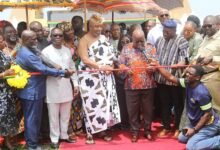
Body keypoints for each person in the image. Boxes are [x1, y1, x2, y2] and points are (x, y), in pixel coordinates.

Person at [16, 30, 74, 150]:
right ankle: (32, 145)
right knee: (32, 119)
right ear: (26, 40)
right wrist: (62, 72)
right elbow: (43, 69)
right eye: (33, 39)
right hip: (32, 91)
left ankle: (33, 142)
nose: (36, 41)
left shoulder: (30, 49)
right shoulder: (28, 55)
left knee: (34, 118)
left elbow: (41, 56)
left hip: (35, 91)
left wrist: (54, 64)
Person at [154, 62, 220, 150]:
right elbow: (170, 77)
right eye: (187, 72)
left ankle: (217, 140)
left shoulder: (202, 93)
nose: (187, 74)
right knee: (182, 138)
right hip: (197, 123)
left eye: (190, 74)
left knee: (191, 147)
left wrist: (195, 130)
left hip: (209, 124)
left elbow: (207, 114)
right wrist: (158, 67)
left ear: (197, 77)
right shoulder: (188, 82)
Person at [77, 14, 121, 144]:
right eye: (95, 26)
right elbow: (85, 59)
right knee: (91, 104)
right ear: (89, 27)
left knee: (105, 103)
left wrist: (111, 66)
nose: (98, 29)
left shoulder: (104, 38)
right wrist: (101, 66)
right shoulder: (83, 40)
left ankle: (103, 130)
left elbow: (111, 56)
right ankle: (90, 131)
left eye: (100, 26)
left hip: (106, 76)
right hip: (90, 78)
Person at [118, 29, 156, 142]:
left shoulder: (150, 47)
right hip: (131, 86)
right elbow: (120, 64)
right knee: (132, 111)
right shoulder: (126, 48)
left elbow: (156, 63)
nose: (140, 43)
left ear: (144, 38)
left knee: (148, 110)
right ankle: (134, 131)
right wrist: (124, 69)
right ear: (132, 39)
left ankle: (147, 130)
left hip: (148, 85)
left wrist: (152, 67)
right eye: (137, 41)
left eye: (141, 41)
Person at [42, 28, 77, 149]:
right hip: (52, 89)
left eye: (60, 35)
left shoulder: (67, 50)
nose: (57, 37)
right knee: (53, 117)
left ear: (63, 37)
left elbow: (72, 66)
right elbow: (44, 70)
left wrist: (76, 84)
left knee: (66, 115)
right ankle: (54, 139)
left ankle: (64, 135)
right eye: (55, 35)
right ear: (50, 37)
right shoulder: (45, 52)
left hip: (66, 87)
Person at [155, 19, 189, 138]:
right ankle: (166, 127)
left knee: (178, 105)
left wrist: (179, 64)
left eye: (168, 31)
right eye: (164, 30)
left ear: (174, 30)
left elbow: (184, 59)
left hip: (175, 80)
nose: (165, 32)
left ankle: (177, 128)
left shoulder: (181, 41)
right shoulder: (159, 40)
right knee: (165, 105)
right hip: (161, 79)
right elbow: (155, 56)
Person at [194, 15, 220, 114]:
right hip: (200, 78)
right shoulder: (205, 38)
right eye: (204, 26)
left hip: (214, 79)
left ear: (217, 25)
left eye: (209, 25)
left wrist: (212, 58)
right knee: (204, 110)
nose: (207, 28)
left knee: (216, 108)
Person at [0, 46, 19, 150]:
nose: (3, 42)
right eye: (0, 40)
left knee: (7, 116)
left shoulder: (2, 53)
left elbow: (10, 60)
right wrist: (4, 73)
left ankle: (7, 141)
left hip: (6, 91)